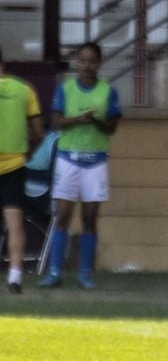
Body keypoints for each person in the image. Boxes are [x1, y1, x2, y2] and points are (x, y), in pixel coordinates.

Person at [41, 41, 120, 289]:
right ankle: (55, 272)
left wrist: (95, 121)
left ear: (99, 63)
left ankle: (85, 273)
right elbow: (56, 122)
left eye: (91, 61)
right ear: (78, 62)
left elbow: (113, 127)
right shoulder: (66, 89)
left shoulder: (108, 92)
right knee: (62, 214)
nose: (86, 66)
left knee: (90, 216)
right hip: (68, 159)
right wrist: (78, 119)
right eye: (83, 60)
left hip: (95, 160)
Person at [0, 49, 45, 294]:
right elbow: (39, 132)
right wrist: (30, 151)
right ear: (3, 64)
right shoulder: (24, 89)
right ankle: (15, 276)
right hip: (14, 164)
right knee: (15, 222)